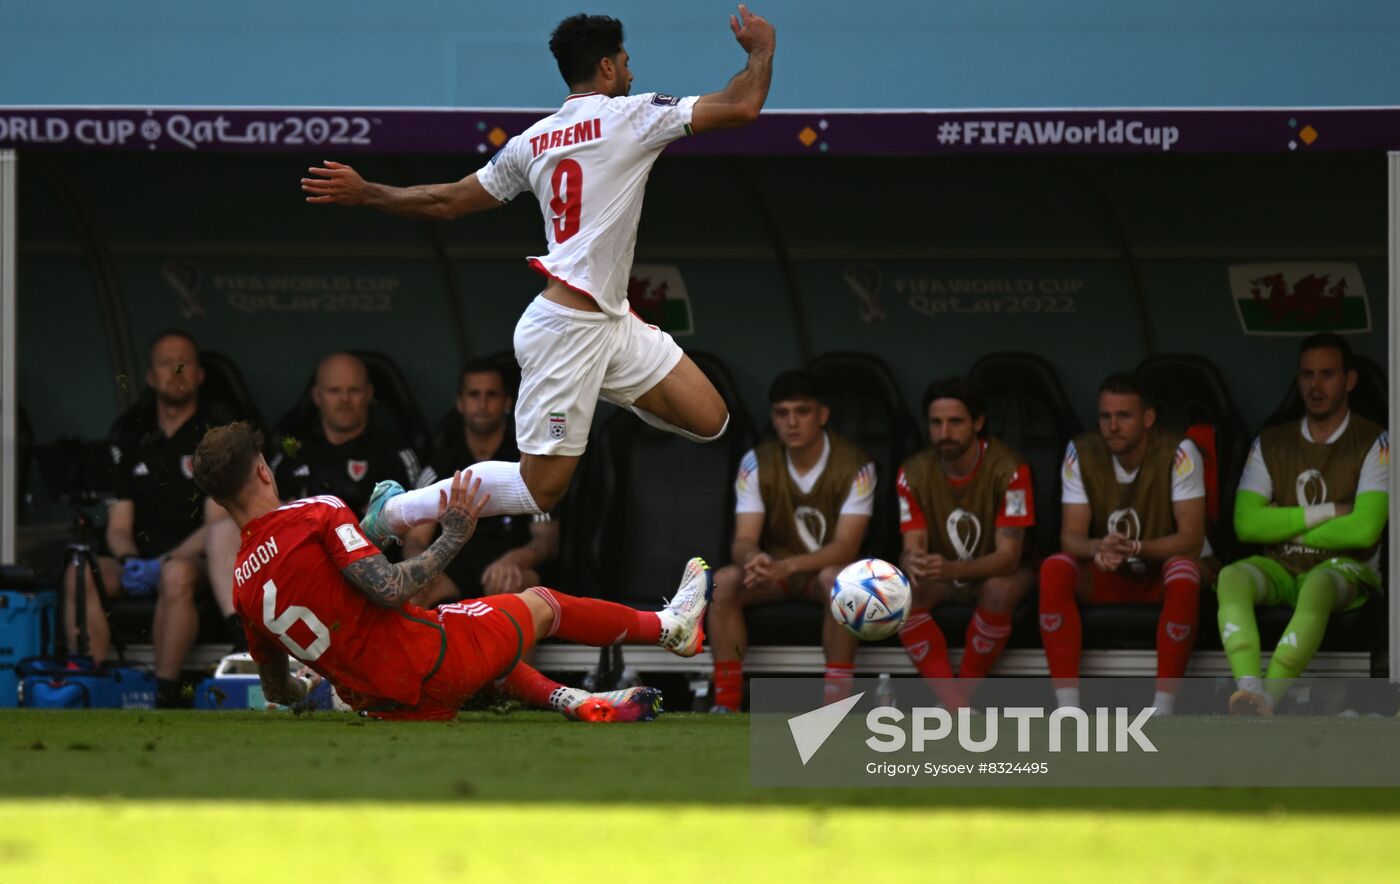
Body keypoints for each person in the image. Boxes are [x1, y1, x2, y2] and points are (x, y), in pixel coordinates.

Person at [300, 7, 776, 529]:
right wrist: (761, 50)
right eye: (626, 61)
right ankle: (392, 511)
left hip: (611, 323)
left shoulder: (532, 140)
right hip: (565, 330)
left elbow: (449, 201)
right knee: (540, 491)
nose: (633, 73)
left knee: (712, 421)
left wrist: (370, 192)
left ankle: (590, 384)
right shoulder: (634, 114)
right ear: (608, 67)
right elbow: (743, 104)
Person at [191, 421, 712, 722]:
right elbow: (392, 589)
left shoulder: (241, 586)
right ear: (264, 469)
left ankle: (570, 699)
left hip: (383, 706)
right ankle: (673, 629)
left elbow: (280, 691)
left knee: (478, 640)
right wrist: (454, 536)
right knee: (543, 605)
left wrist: (309, 693)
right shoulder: (316, 512)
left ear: (219, 499)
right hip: (428, 661)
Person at [1218, 334, 1389, 715]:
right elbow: (1246, 525)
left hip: (1346, 570)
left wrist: (1278, 522)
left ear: (1350, 380)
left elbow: (1364, 530)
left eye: (1327, 374)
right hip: (1281, 566)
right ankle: (1247, 690)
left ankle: (1267, 699)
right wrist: (1329, 512)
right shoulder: (1272, 441)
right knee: (1232, 577)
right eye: (1307, 375)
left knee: (1318, 583)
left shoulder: (1375, 440)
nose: (1315, 385)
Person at [62, 330, 227, 706]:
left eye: (184, 361)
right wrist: (130, 561)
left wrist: (164, 562)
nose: (176, 370)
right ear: (151, 376)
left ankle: (163, 692)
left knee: (175, 574)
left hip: (195, 561)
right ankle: (92, 682)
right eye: (166, 363)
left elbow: (216, 525)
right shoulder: (128, 435)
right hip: (137, 560)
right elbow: (119, 527)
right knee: (79, 571)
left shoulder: (215, 436)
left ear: (200, 374)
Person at [704, 370, 876, 712]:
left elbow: (846, 547)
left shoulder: (857, 465)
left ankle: (837, 702)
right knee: (723, 581)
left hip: (824, 573)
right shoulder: (756, 462)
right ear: (774, 418)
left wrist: (786, 565)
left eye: (802, 411)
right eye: (782, 413)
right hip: (776, 573)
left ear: (822, 414)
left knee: (839, 582)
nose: (792, 422)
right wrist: (755, 558)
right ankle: (726, 702)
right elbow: (743, 540)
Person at [1038, 372, 1206, 715]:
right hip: (1110, 572)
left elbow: (1191, 539)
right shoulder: (1080, 451)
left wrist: (1136, 548)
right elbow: (1071, 536)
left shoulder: (1178, 451)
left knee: (1185, 570)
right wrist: (1098, 548)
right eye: (1106, 416)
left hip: (1160, 573)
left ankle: (1163, 706)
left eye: (1124, 416)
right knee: (1055, 567)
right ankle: (1068, 708)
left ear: (1148, 418)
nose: (1113, 426)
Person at [894, 378, 1035, 707]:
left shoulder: (1011, 469)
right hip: (946, 572)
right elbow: (912, 545)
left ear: (978, 423)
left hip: (1001, 571)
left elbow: (1009, 557)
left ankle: (961, 699)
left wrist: (951, 568)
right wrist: (911, 561)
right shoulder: (912, 472)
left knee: (998, 589)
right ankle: (955, 707)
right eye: (936, 422)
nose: (945, 432)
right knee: (901, 592)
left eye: (955, 421)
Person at [407, 360, 560, 606]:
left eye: (491, 394)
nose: (482, 404)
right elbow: (415, 540)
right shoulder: (439, 469)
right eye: (474, 394)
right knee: (411, 591)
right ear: (460, 403)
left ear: (508, 402)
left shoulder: (529, 467)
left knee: (517, 590)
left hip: (507, 569)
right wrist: (422, 570)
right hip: (452, 571)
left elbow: (546, 541)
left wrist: (516, 560)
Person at [270, 352, 420, 514]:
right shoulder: (291, 455)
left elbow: (414, 521)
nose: (345, 399)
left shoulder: (394, 453)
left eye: (354, 390)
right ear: (317, 396)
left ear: (369, 393)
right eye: (334, 390)